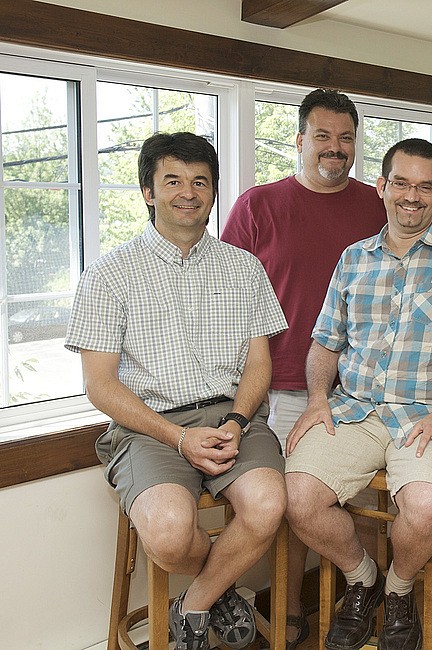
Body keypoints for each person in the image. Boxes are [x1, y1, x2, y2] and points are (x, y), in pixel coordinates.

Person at [283, 138, 432, 650]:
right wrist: (319, 397)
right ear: (382, 186)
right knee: (298, 498)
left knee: (428, 505)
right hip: (357, 409)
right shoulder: (353, 260)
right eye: (402, 183)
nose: (412, 196)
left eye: (425, 187)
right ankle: (363, 578)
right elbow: (326, 341)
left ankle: (398, 590)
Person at [65, 132, 289, 650]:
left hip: (234, 418)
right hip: (149, 428)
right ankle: (222, 589)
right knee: (167, 534)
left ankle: (192, 605)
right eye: (173, 181)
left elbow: (260, 362)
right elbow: (100, 386)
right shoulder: (107, 276)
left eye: (200, 182)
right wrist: (178, 438)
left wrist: (235, 422)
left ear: (212, 193)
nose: (188, 193)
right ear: (148, 192)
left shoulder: (243, 267)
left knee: (269, 505)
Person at [221, 88, 385, 648]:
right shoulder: (258, 205)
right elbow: (227, 296)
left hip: (361, 387)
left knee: (361, 505)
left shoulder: (378, 205)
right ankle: (288, 616)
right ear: (298, 140)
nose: (334, 148)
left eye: (345, 138)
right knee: (292, 506)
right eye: (322, 136)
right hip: (279, 384)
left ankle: (365, 605)